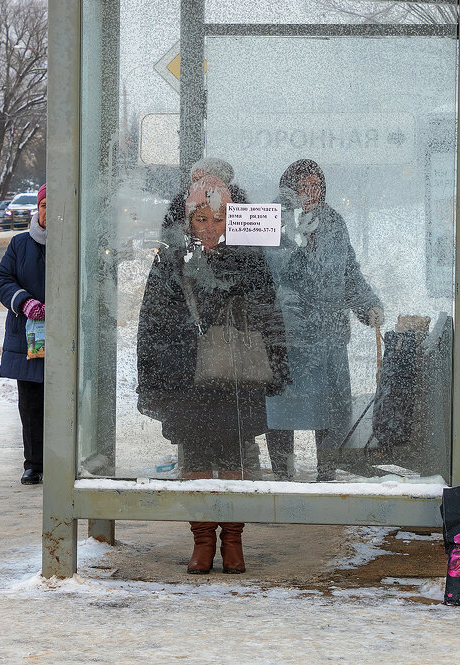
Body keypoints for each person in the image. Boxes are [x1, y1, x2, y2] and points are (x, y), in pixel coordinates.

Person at [136, 175, 289, 574]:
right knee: (198, 456)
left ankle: (233, 540)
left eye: (219, 219)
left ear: (232, 219)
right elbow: (153, 320)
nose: (209, 228)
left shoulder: (249, 256)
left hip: (236, 374)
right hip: (186, 376)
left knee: (236, 453)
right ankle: (203, 539)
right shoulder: (170, 258)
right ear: (187, 221)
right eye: (201, 219)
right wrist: (154, 375)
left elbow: (268, 312)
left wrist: (275, 362)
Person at [264, 159, 384, 481]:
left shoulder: (332, 221)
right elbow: (282, 272)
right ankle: (282, 472)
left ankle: (326, 472)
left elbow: (348, 273)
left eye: (316, 186)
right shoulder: (274, 220)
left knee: (328, 409)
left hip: (329, 335)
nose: (310, 192)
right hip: (289, 338)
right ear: (288, 189)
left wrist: (367, 304)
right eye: (302, 186)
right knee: (284, 407)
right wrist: (300, 241)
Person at [0, 183, 48, 486]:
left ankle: (62, 461)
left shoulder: (74, 241)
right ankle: (34, 463)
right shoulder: (20, 243)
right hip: (30, 340)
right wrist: (24, 301)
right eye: (43, 205)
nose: (48, 211)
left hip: (65, 337)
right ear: (36, 209)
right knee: (30, 403)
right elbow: (2, 277)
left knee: (64, 402)